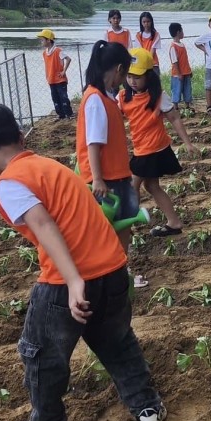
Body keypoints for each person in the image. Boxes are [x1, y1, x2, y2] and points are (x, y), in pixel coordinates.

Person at [0, 102, 167, 421]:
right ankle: (148, 410)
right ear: (21, 136)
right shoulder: (50, 167)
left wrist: (72, 282)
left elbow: (42, 224)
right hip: (113, 270)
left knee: (42, 354)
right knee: (117, 343)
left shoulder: (9, 183)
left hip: (66, 283)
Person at [77, 40, 149, 289]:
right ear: (119, 69)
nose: (125, 80)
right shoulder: (96, 99)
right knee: (111, 232)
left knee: (124, 227)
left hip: (116, 174)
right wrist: (97, 179)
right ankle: (113, 278)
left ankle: (120, 274)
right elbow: (93, 144)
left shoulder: (105, 97)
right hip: (106, 179)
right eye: (125, 72)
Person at [119, 48, 198, 237]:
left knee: (133, 185)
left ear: (149, 75)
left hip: (153, 148)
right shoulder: (123, 97)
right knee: (151, 186)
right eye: (129, 76)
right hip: (142, 148)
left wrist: (187, 143)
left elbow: (175, 118)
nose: (132, 81)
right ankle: (174, 222)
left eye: (137, 77)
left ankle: (129, 225)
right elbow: (113, 116)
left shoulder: (158, 96)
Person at [37, 29, 73, 120]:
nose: (41, 42)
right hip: (51, 79)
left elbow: (68, 59)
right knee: (55, 98)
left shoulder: (58, 50)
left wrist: (64, 71)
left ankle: (69, 114)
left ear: (48, 40)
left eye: (42, 40)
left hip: (60, 79)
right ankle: (60, 115)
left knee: (63, 97)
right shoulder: (45, 53)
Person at [167, 22, 194, 112]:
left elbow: (185, 60)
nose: (183, 33)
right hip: (177, 74)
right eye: (182, 31)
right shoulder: (173, 46)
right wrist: (178, 73)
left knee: (187, 89)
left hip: (186, 72)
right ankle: (175, 106)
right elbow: (175, 62)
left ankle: (187, 105)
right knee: (177, 90)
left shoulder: (182, 45)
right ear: (178, 32)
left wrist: (189, 70)